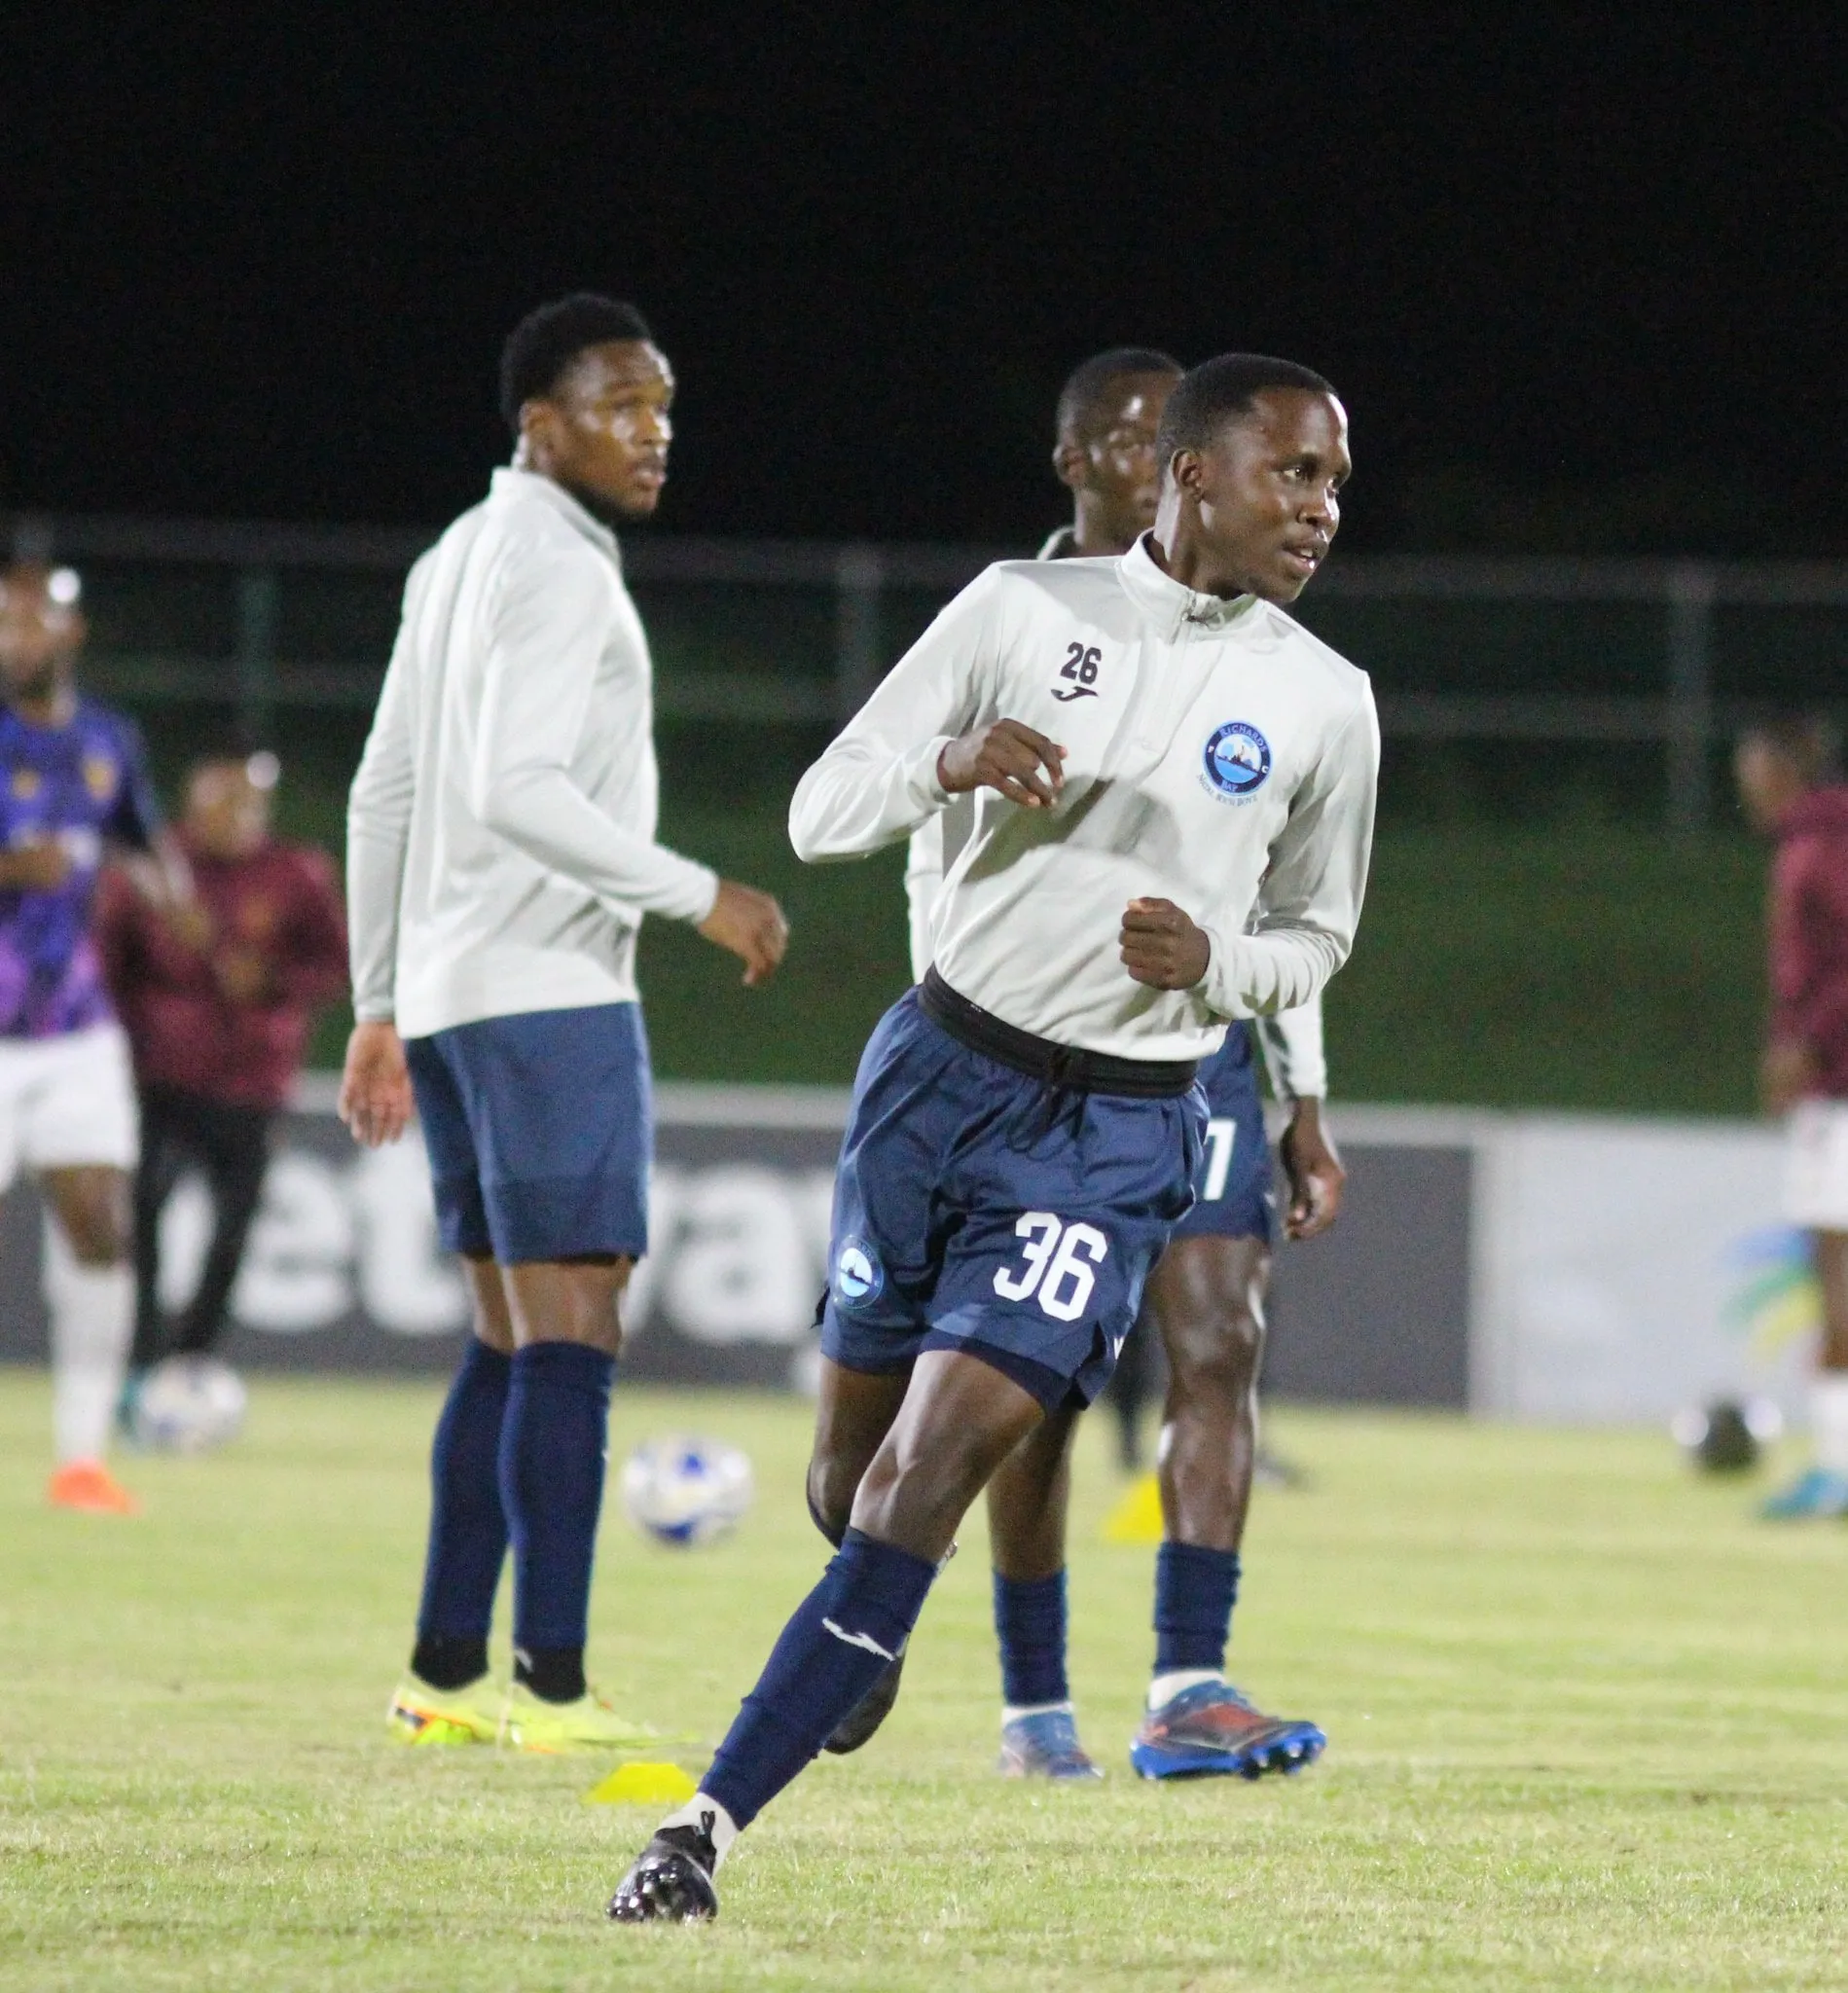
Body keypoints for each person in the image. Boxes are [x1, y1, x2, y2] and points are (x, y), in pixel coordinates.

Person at [611, 351, 1377, 1922]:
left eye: (1331, 486)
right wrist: (946, 764)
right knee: (850, 1469)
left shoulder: (1324, 699)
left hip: (1117, 1129)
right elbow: (823, 809)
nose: (1318, 511)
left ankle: (697, 1831)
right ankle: (861, 1622)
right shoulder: (1019, 616)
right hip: (934, 1077)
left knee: (935, 1458)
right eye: (1290, 474)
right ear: (1185, 471)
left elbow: (1315, 933)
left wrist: (1219, 973)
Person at [340, 294, 790, 1753]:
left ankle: (444, 1673)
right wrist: (696, 893)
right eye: (619, 404)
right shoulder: (553, 571)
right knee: (574, 1331)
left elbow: (384, 792)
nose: (653, 431)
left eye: (662, 403)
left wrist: (378, 1003)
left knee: (504, 1333)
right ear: (541, 423)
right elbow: (513, 789)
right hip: (549, 992)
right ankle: (550, 1688)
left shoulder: (457, 555)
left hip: (460, 996)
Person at [899, 347, 1348, 1782]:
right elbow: (924, 843)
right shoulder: (1013, 619)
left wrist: (1303, 1093)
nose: (1161, 452)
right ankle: (1035, 1703)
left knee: (1219, 1335)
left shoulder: (1271, 659)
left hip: (1200, 1054)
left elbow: (1285, 897)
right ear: (1086, 463)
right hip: (1023, 1060)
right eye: (1134, 433)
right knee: (1039, 1382)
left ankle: (1187, 1685)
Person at [0, 562, 192, 1514]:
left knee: (101, 1226)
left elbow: (137, 834)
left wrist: (173, 895)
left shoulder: (108, 739)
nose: (11, 639)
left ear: (69, 632)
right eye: (1, 623)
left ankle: (82, 1458)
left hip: (75, 1028)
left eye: (28, 622)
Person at [96, 741, 347, 1390]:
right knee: (141, 1218)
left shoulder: (297, 872)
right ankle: (142, 1361)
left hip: (252, 1085)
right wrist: (117, 1051)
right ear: (194, 798)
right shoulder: (152, 870)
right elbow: (106, 969)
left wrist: (272, 980)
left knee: (233, 1233)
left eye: (250, 799)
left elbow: (337, 967)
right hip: (160, 1080)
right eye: (224, 797)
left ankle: (192, 1361)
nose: (238, 813)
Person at [1735, 717, 1848, 1517]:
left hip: (1837, 1094)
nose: (1747, 790)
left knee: (1835, 1278)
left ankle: (1836, 1469)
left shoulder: (1817, 848)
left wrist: (1804, 1042)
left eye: (1753, 772)